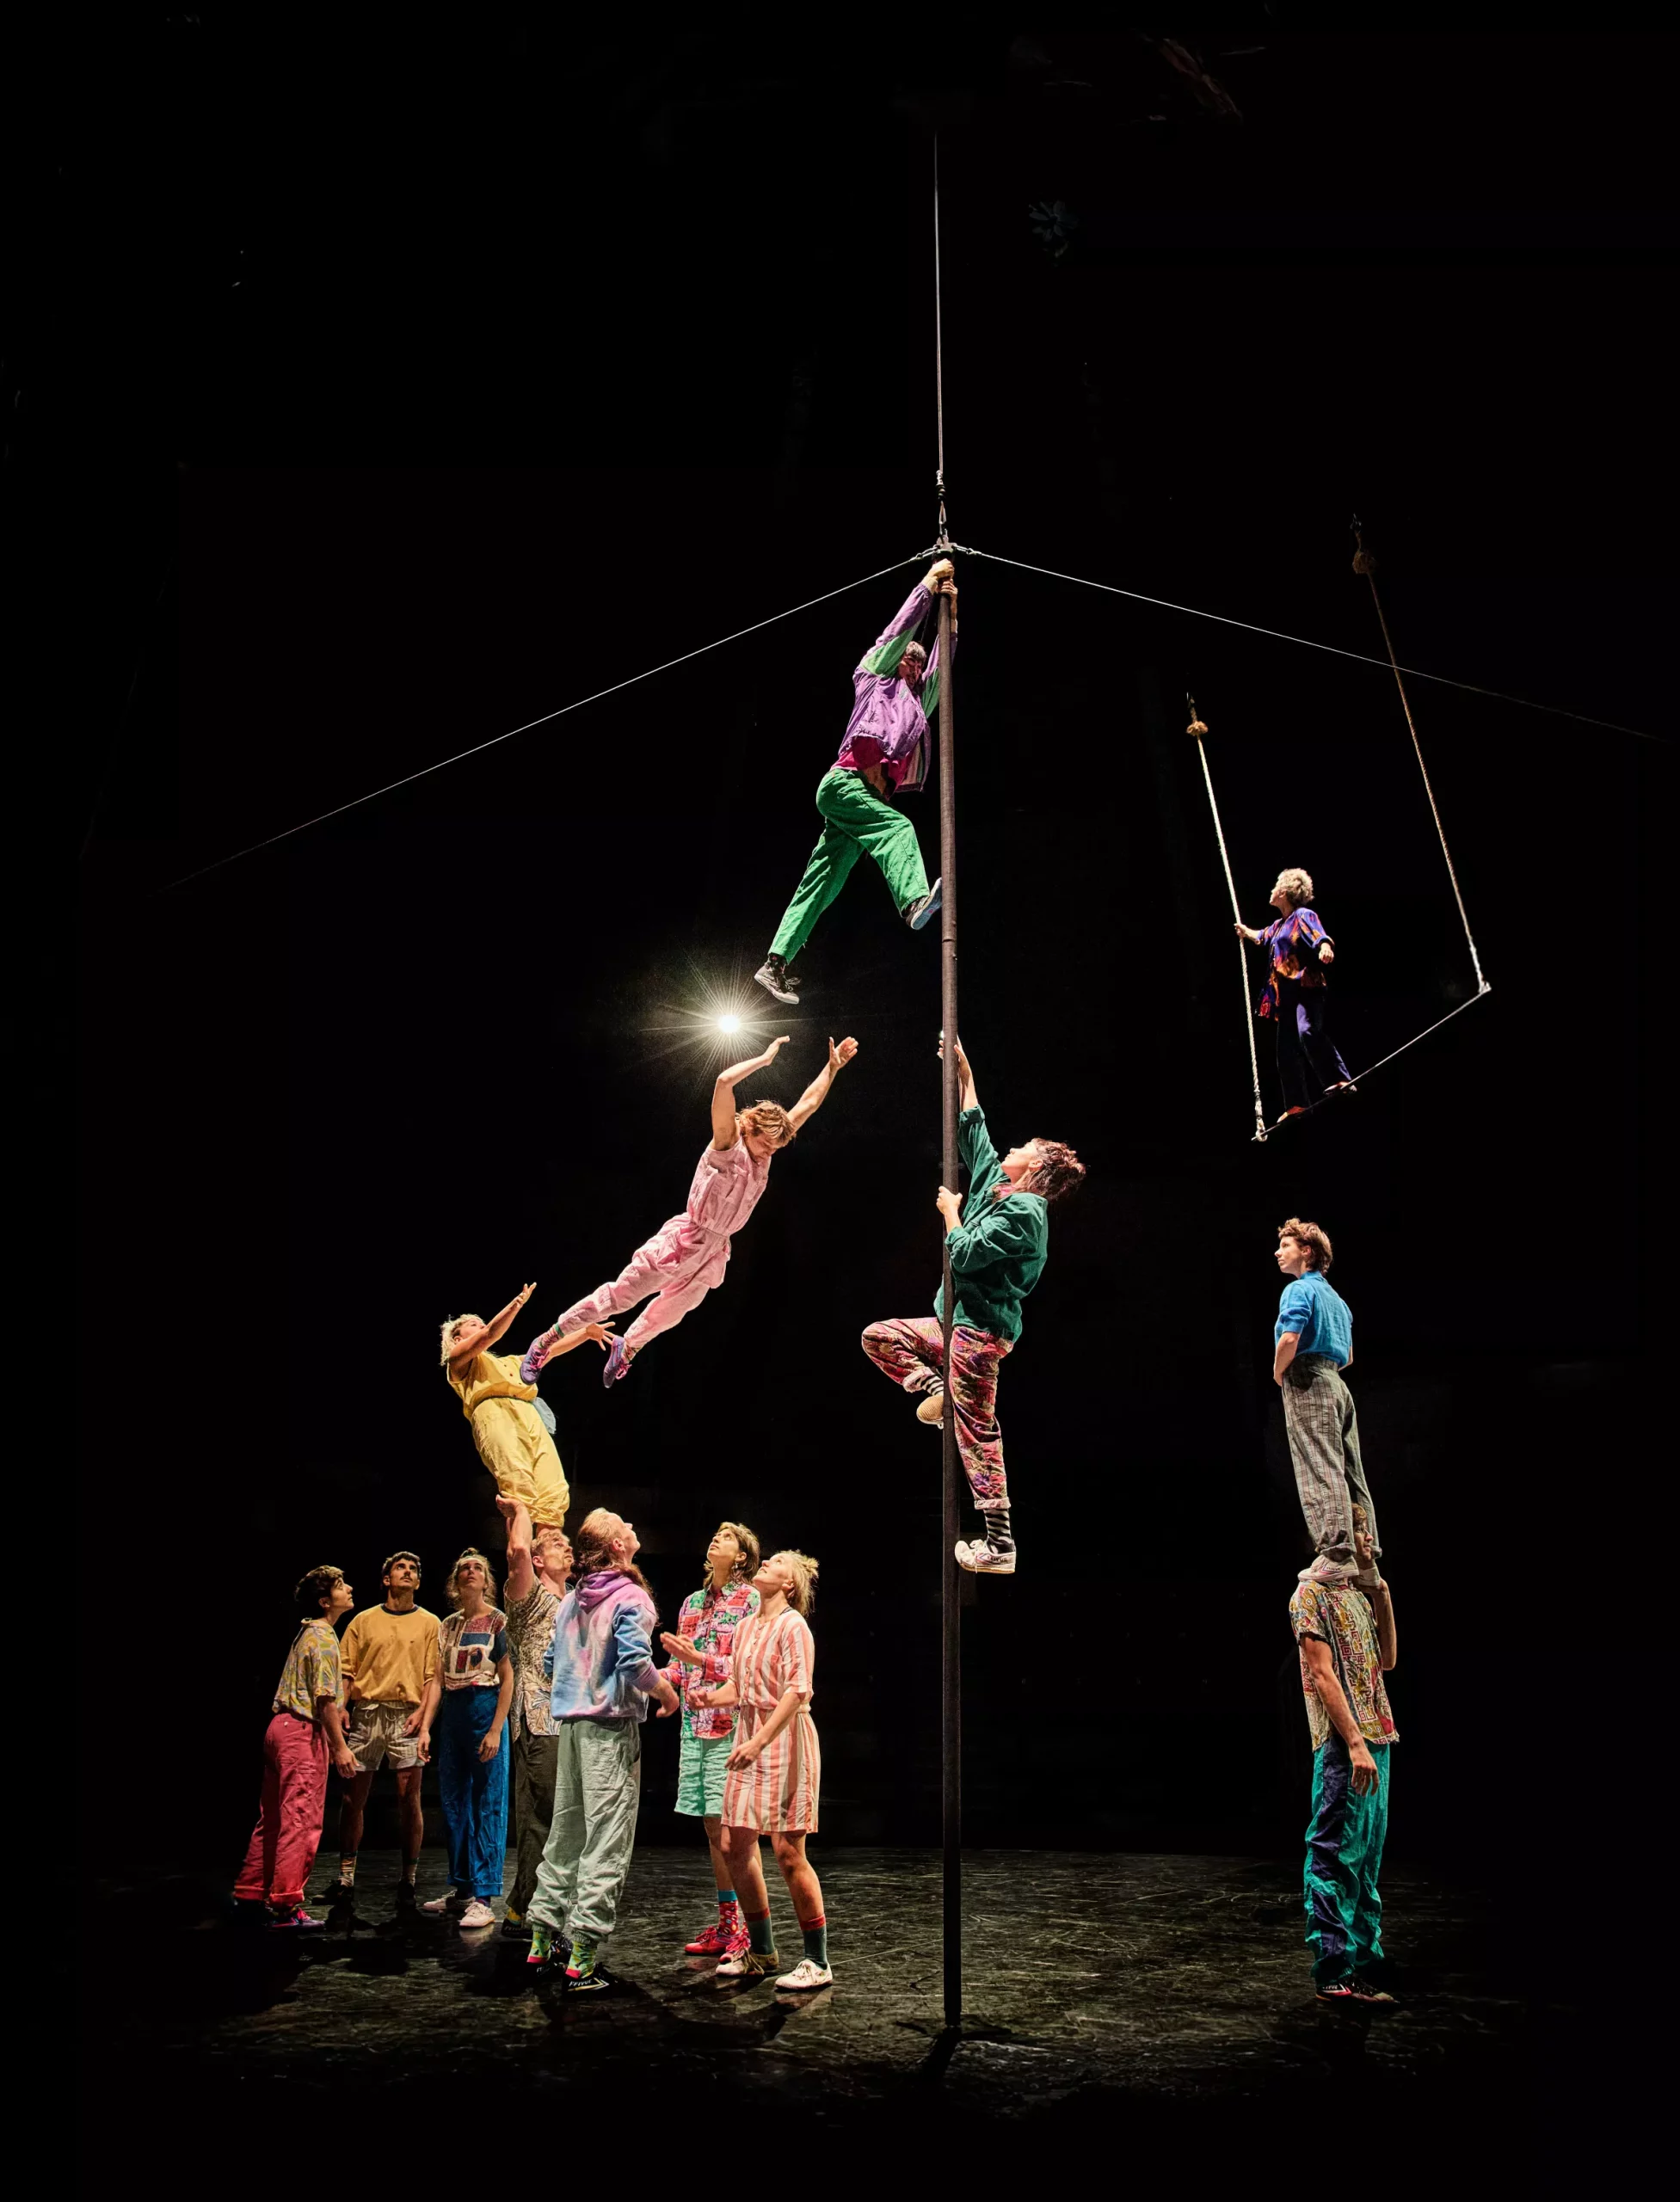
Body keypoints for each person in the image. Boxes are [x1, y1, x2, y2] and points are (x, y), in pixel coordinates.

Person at [520, 1034, 858, 1390]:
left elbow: (807, 1104)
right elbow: (724, 1082)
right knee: (620, 1297)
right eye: (765, 1143)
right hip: (685, 1238)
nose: (769, 1152)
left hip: (715, 1248)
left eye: (777, 1146)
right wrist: (764, 1060)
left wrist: (832, 1068)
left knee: (674, 1309)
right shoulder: (728, 1142)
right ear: (748, 1127)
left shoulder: (769, 1147)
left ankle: (628, 1347)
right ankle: (544, 1342)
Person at [862, 1036, 1084, 1576]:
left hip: (981, 1333)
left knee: (976, 1430)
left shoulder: (1028, 1214)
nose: (1012, 1149)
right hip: (952, 1324)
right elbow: (974, 1132)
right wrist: (964, 1070)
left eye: (1025, 1147)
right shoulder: (997, 1186)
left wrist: (950, 1212)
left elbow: (962, 1256)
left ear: (1038, 1168)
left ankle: (1000, 1544)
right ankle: (933, 1388)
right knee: (880, 1335)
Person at [753, 558, 957, 1006]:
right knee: (898, 829)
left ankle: (775, 963)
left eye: (918, 665)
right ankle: (914, 903)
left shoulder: (917, 703)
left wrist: (952, 616)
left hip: (856, 803)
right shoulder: (873, 679)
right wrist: (927, 586)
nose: (914, 666)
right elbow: (897, 631)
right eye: (909, 659)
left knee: (822, 882)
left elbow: (942, 669)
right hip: (844, 785)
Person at [526, 1509, 680, 1989]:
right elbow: (636, 1662)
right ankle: (583, 1955)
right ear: (616, 1547)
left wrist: (582, 1683)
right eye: (623, 1525)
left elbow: (552, 1662)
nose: (632, 1526)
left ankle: (541, 1939)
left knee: (566, 1831)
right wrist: (668, 1694)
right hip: (608, 1731)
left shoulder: (572, 1600)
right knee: (606, 1838)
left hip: (570, 1728)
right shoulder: (631, 1596)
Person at [688, 1549, 828, 1990]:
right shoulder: (748, 1625)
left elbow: (796, 1690)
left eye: (778, 1562)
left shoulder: (793, 1625)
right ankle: (763, 1953)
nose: (767, 1562)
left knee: (788, 1851)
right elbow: (741, 1684)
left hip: (782, 1739)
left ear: (790, 1584)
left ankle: (817, 1961)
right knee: (733, 1843)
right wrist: (712, 1699)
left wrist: (758, 1740)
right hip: (750, 1736)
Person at [1290, 1506, 1399, 2006]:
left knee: (1367, 1854)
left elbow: (1388, 1661)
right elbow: (1321, 1674)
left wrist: (1382, 1594)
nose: (1370, 1543)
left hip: (1379, 1733)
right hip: (1343, 1740)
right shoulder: (1309, 1593)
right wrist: (1354, 1742)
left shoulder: (1355, 1594)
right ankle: (1333, 1969)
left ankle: (1362, 1957)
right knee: (1334, 1851)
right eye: (1362, 1533)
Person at [655, 1522, 762, 1959]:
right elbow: (678, 1671)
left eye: (728, 1537)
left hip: (730, 1726)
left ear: (741, 1556)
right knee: (710, 1824)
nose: (716, 1538)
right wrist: (646, 1678)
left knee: (730, 1831)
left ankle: (747, 1929)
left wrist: (694, 1658)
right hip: (694, 1729)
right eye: (714, 1533)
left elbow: (745, 1666)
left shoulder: (750, 1600)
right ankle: (726, 1923)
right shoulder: (692, 1603)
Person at [233, 1564, 357, 1929]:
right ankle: (286, 1905)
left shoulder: (307, 1633)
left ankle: (251, 1890)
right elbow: (323, 1700)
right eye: (340, 1585)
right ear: (325, 1600)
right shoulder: (322, 1636)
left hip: (279, 1728)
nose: (349, 1589)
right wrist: (339, 1748)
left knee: (272, 1817)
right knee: (300, 1821)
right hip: (301, 1732)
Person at [440, 1284, 610, 1530]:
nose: (480, 1324)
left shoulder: (511, 1363)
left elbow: (548, 1351)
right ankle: (519, 1563)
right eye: (473, 1324)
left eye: (479, 1322)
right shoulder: (459, 1361)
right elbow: (490, 1334)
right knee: (519, 1486)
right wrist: (517, 1303)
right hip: (494, 1414)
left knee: (552, 1489)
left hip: (529, 1415)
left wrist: (585, 1333)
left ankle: (548, 1564)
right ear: (458, 1338)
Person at [1272, 1218, 1382, 1585]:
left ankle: (1337, 1552)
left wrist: (1279, 1372)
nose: (1278, 1252)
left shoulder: (1299, 1290)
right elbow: (1348, 1355)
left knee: (1320, 1466)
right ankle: (1366, 1556)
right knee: (1351, 1469)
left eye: (1285, 1246)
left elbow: (1289, 1339)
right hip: (1337, 1381)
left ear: (1307, 1251)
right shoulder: (1338, 1300)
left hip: (1308, 1378)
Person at [334, 1549, 439, 1910]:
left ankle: (408, 1877)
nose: (407, 1572)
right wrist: (342, 1707)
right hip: (367, 1712)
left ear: (419, 1581)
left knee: (409, 1799)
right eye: (400, 1567)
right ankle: (346, 1876)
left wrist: (423, 1717)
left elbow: (431, 1678)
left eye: (413, 1568)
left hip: (406, 1714)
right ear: (386, 1578)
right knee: (353, 1799)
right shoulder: (363, 1620)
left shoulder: (429, 1623)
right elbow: (347, 1671)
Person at [415, 1550, 514, 1931]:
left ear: (487, 1580)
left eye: (477, 1568)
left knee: (487, 1802)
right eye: (464, 1568)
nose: (470, 1572)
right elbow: (438, 1681)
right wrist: (426, 1727)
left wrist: (494, 1728)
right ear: (455, 1582)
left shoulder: (497, 1621)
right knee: (455, 1805)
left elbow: (507, 1678)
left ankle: (485, 1896)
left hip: (484, 1707)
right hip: (454, 1714)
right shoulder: (448, 1626)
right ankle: (461, 1888)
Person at [495, 1495, 573, 1940]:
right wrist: (520, 1511)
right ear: (540, 1558)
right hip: (538, 1717)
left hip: (568, 1718)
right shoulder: (528, 1596)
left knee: (560, 1814)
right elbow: (517, 1552)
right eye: (556, 1543)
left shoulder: (572, 1598)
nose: (567, 1548)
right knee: (540, 1811)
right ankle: (524, 1908)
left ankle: (535, 1903)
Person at [1235, 867, 1355, 1122]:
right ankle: (1296, 1104)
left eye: (1275, 886)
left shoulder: (1302, 915)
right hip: (1285, 997)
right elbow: (1262, 937)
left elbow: (1318, 934)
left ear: (1286, 891)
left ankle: (1340, 1079)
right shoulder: (1278, 926)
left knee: (1308, 1031)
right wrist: (1245, 932)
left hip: (1305, 989)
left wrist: (1324, 947)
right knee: (1286, 1051)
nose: (1271, 890)